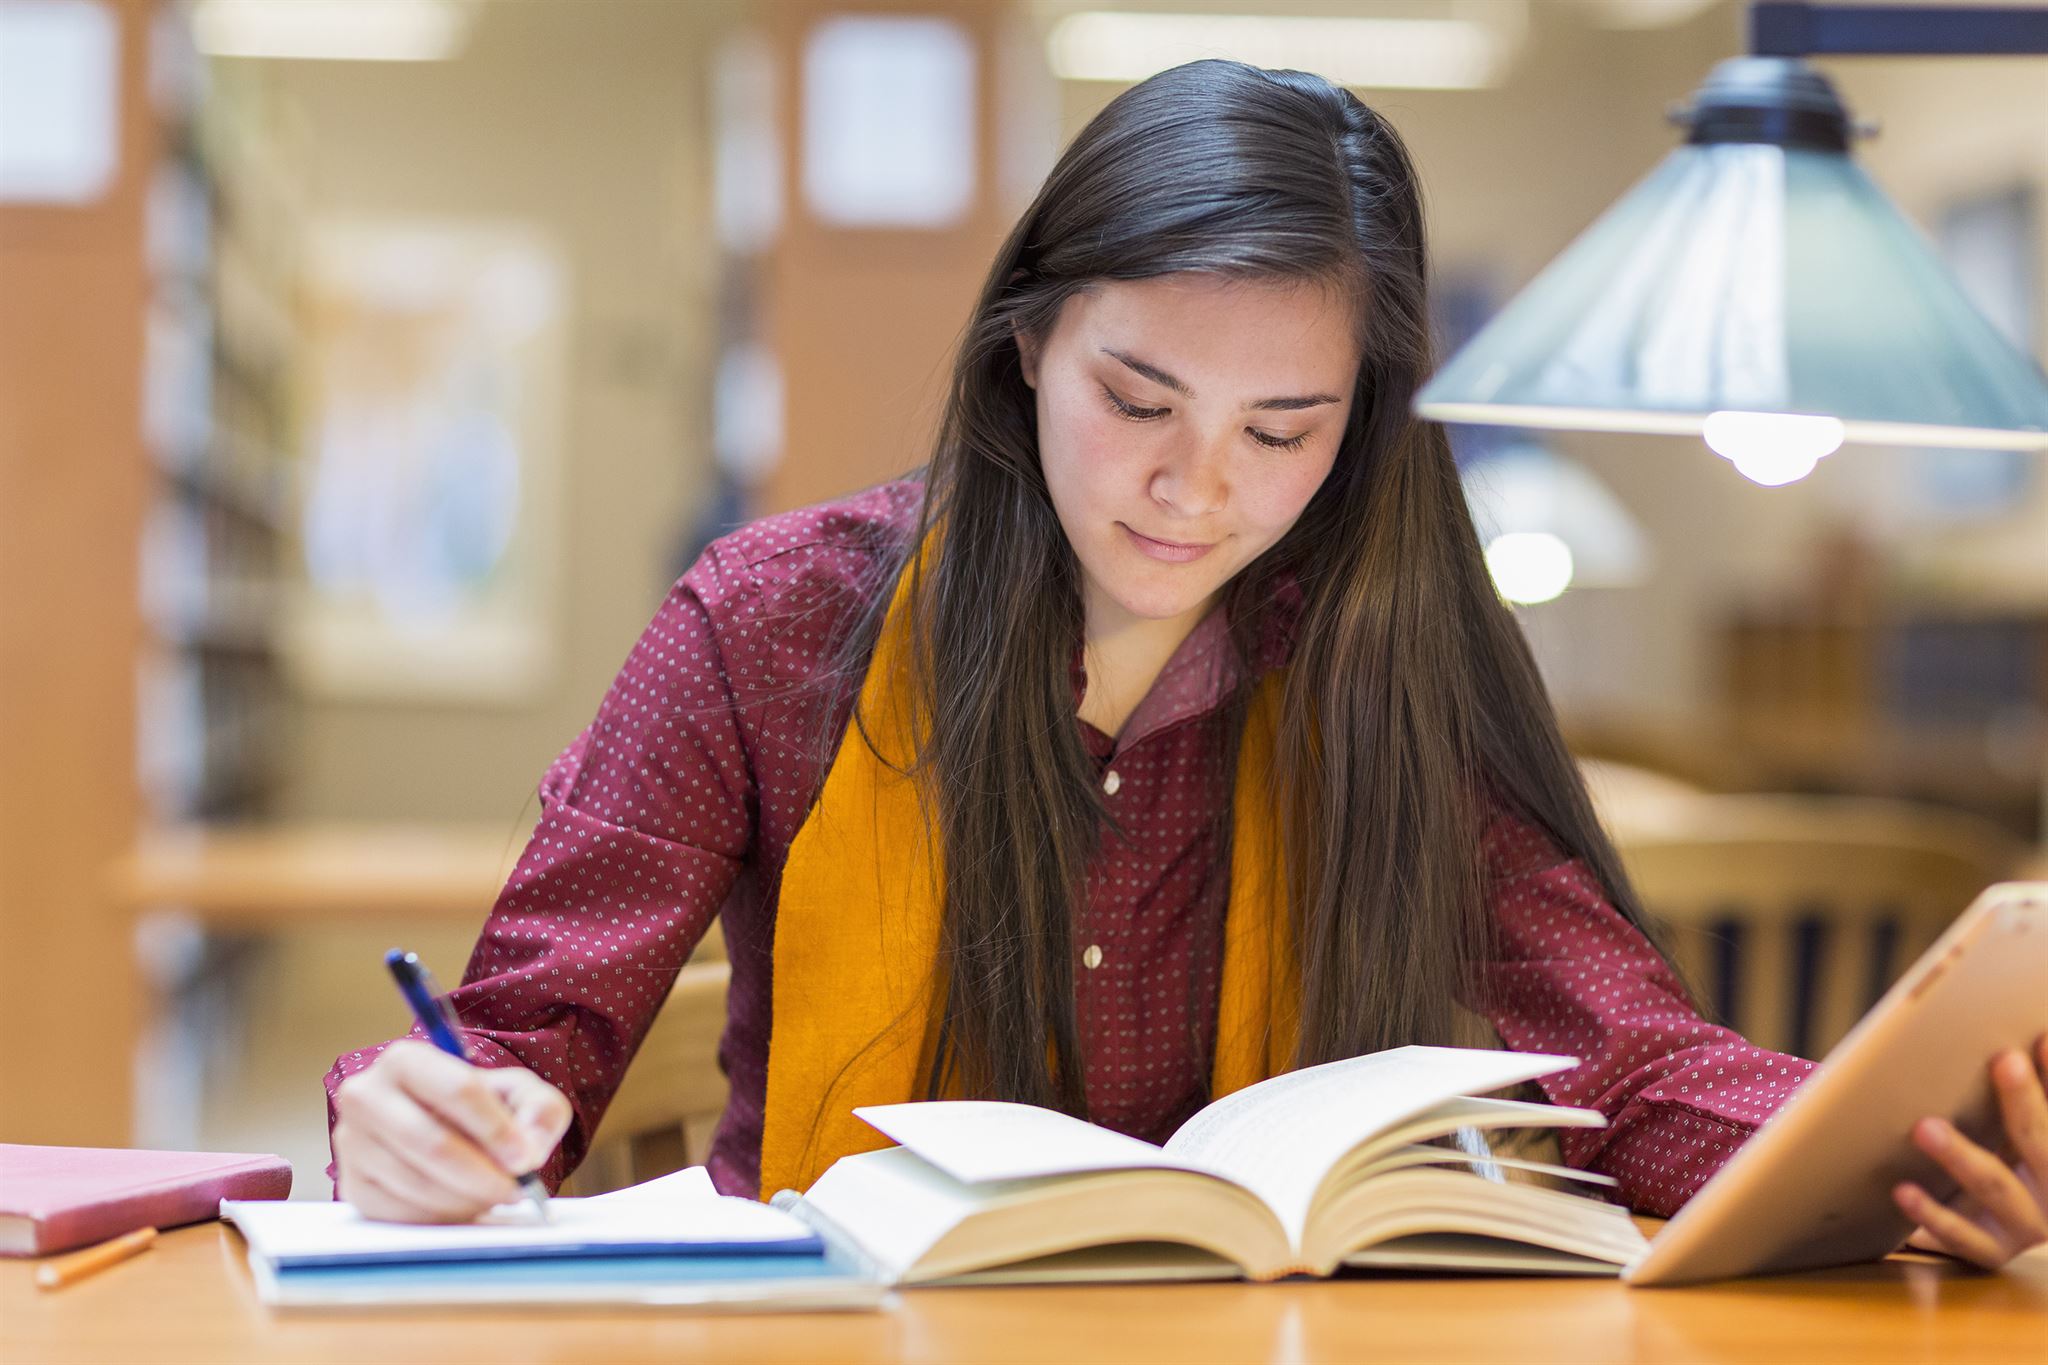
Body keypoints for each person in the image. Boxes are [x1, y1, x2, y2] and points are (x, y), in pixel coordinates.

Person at [326, 60, 2047, 1269]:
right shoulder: (771, 622)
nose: (1196, 487)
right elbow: (512, 1053)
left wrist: (1932, 1147)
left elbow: (1637, 1061)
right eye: (1138, 402)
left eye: (1281, 429)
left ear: (1357, 430)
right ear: (1022, 354)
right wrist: (424, 1115)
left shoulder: (1383, 653)